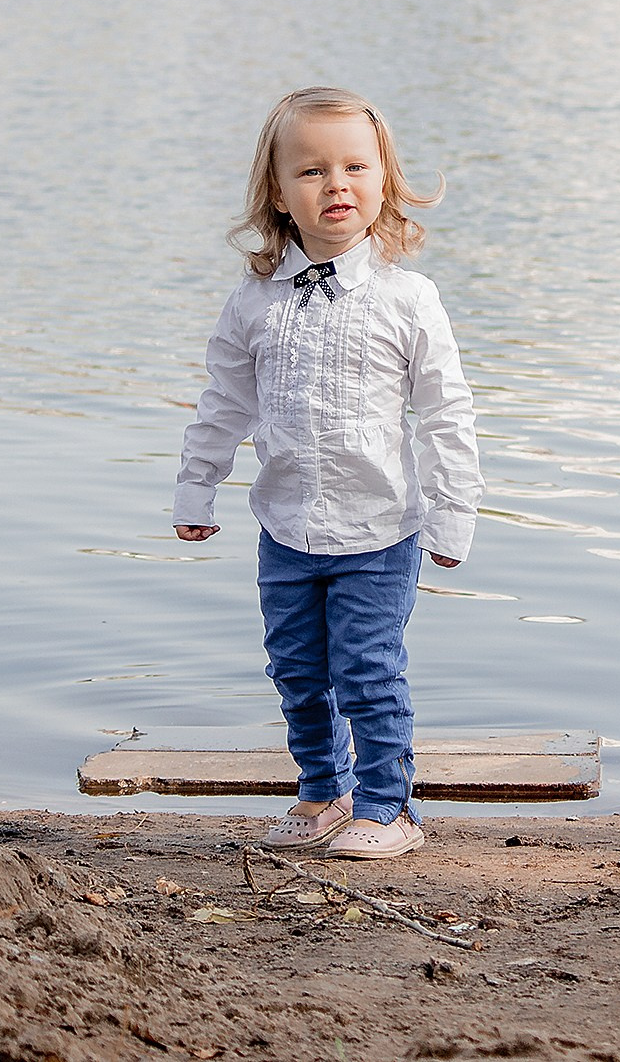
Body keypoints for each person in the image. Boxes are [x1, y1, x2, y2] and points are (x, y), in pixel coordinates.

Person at [174, 87, 482, 860]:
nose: (335, 184)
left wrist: (454, 513)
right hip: (286, 527)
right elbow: (222, 402)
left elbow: (446, 413)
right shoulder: (253, 303)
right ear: (279, 194)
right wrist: (196, 484)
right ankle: (323, 791)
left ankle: (390, 806)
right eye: (311, 170)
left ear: (383, 181)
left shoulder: (408, 299)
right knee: (298, 669)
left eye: (354, 166)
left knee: (369, 668)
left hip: (380, 529)